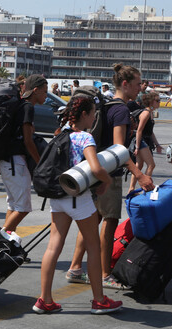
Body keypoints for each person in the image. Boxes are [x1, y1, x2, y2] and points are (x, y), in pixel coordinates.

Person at [65, 64, 155, 289]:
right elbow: (119, 148)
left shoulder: (107, 105)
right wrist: (139, 174)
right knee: (110, 221)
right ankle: (105, 273)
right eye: (136, 85)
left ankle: (76, 267)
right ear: (125, 84)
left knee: (92, 219)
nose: (139, 90)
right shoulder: (122, 110)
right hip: (109, 174)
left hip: (94, 171)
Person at [33, 96, 122, 315]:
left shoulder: (61, 133)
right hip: (79, 197)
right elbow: (96, 167)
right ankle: (99, 300)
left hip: (58, 197)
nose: (94, 118)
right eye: (92, 113)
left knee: (53, 246)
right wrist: (107, 181)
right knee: (92, 247)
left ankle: (45, 299)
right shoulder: (84, 137)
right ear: (84, 114)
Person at [0, 74, 45, 234]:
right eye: (45, 91)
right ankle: (0, 240)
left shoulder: (18, 105)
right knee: (23, 207)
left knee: (13, 205)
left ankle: (9, 246)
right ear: (35, 90)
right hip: (15, 162)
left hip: (7, 161)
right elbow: (28, 141)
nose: (46, 95)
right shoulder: (27, 108)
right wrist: (40, 163)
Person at [128, 91, 160, 193]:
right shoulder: (146, 113)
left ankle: (131, 189)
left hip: (144, 140)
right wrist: (137, 147)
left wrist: (157, 144)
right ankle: (146, 187)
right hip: (141, 141)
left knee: (139, 165)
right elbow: (139, 131)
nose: (159, 103)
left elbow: (150, 132)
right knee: (151, 164)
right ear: (151, 102)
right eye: (157, 101)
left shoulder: (150, 113)